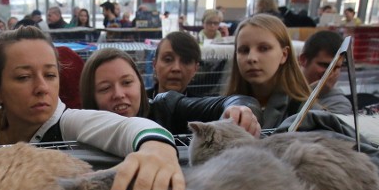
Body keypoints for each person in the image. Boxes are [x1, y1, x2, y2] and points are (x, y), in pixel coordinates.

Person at [0, 26, 184, 190]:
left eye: (50, 75)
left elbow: (128, 127)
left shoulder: (69, 123)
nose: (42, 88)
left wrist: (158, 149)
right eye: (23, 77)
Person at [80, 47, 261, 136]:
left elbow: (232, 101)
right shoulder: (80, 130)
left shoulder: (166, 106)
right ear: (91, 97)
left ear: (140, 84)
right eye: (105, 88)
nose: (119, 94)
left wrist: (240, 110)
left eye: (127, 82)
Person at [223, 14, 313, 129]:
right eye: (244, 50)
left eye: (264, 48)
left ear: (284, 55)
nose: (251, 58)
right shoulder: (225, 106)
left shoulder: (306, 111)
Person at [298, 30, 352, 115]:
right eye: (325, 65)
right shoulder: (281, 84)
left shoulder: (340, 104)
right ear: (303, 60)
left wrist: (313, 92)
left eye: (336, 67)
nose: (330, 73)